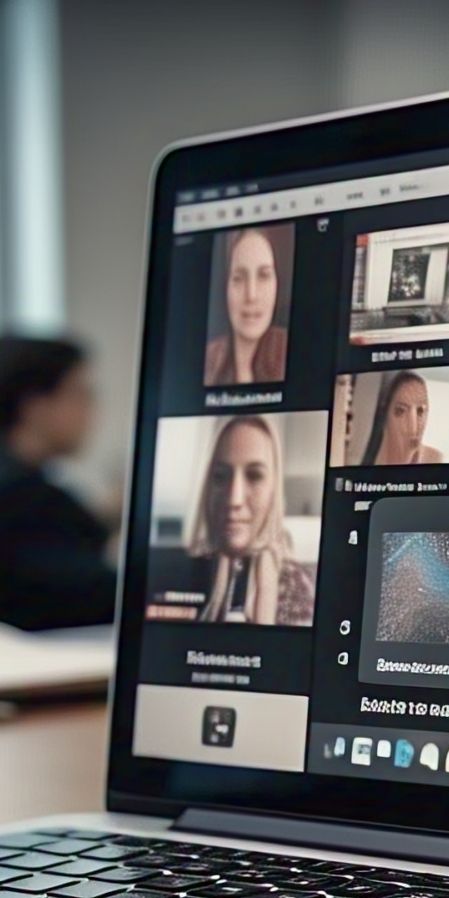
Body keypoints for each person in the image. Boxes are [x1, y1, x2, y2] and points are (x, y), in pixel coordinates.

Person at [0, 335, 117, 630]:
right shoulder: (13, 494)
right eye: (79, 394)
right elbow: (96, 593)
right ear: (35, 405)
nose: (92, 408)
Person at [188, 416, 314, 625]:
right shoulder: (186, 571)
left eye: (254, 476)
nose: (234, 499)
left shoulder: (297, 587)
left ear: (274, 488)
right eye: (220, 476)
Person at [203, 227, 290, 386]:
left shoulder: (292, 353)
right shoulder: (207, 360)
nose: (251, 295)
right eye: (238, 278)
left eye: (263, 275)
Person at [362, 371, 444, 465]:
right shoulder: (364, 457)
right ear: (385, 417)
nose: (413, 427)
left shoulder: (433, 459)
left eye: (421, 411)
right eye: (401, 411)